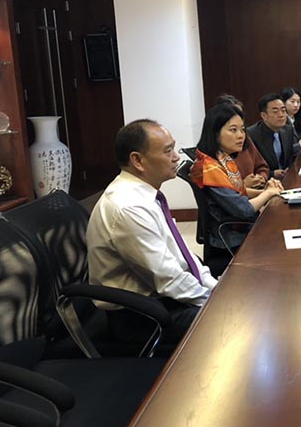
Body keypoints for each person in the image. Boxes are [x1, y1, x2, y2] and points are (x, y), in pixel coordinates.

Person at [86, 119, 217, 344]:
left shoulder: (146, 195)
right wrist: (216, 302)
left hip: (164, 299)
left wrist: (215, 287)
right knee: (232, 321)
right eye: (168, 151)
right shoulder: (128, 207)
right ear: (138, 160)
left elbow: (182, 257)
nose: (176, 157)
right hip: (142, 317)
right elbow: (169, 279)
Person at [191, 103, 283, 273]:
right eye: (233, 130)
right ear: (215, 133)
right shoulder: (209, 169)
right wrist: (268, 193)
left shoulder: (222, 159)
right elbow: (243, 209)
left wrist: (266, 192)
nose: (241, 135)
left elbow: (236, 192)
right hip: (231, 238)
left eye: (242, 130)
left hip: (238, 229)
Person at [215, 94, 269, 189]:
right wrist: (244, 184)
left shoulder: (244, 139)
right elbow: (227, 192)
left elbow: (262, 166)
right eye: (233, 129)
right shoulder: (213, 161)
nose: (240, 135)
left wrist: (261, 177)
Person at [247, 93, 295, 179]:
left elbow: (291, 157)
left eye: (283, 110)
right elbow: (251, 167)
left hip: (286, 178)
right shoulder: (252, 135)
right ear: (264, 116)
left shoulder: (288, 130)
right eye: (275, 112)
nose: (281, 115)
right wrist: (272, 174)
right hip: (265, 181)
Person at [280, 87, 301, 155]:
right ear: (283, 102)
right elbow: (283, 151)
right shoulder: (280, 121)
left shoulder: (296, 119)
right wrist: (299, 144)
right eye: (292, 101)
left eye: (298, 102)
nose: (296, 105)